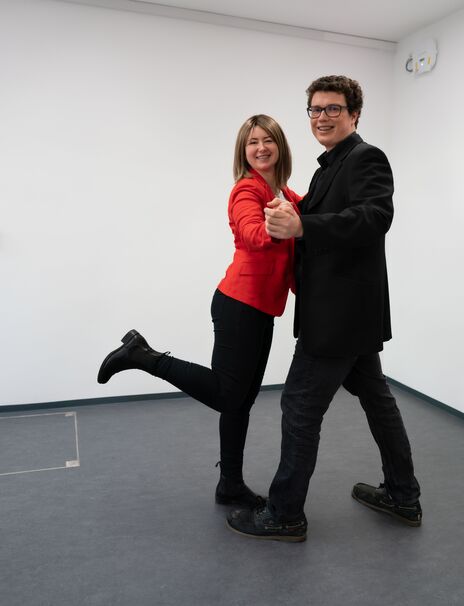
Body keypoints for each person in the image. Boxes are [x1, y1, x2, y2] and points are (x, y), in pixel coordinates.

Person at [227, 75, 421, 542]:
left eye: (333, 108)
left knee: (299, 405)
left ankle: (285, 514)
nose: (322, 117)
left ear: (354, 114)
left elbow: (375, 216)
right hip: (348, 314)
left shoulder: (365, 157)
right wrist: (290, 218)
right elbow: (309, 218)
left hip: (338, 316)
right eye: (315, 110)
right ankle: (402, 495)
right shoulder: (328, 167)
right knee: (377, 400)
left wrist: (303, 227)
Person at [97, 114, 301, 508]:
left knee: (241, 401)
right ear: (243, 151)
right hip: (239, 304)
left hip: (262, 308)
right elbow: (251, 232)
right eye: (252, 142)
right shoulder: (247, 190)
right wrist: (275, 227)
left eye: (268, 140)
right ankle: (143, 356)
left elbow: (309, 228)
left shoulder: (287, 195)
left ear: (280, 146)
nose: (261, 147)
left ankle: (230, 485)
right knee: (227, 395)